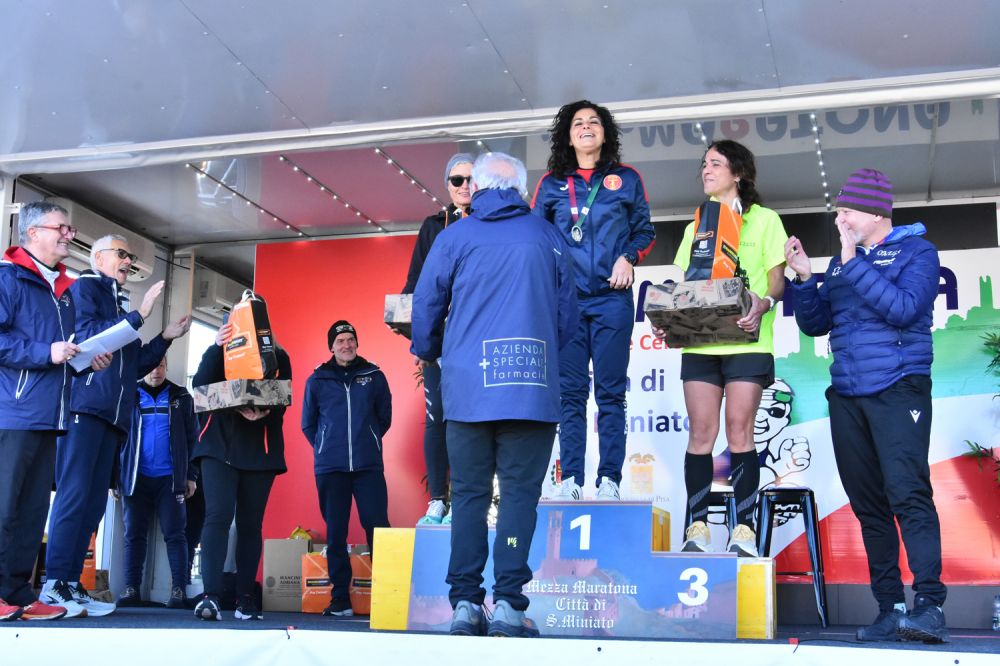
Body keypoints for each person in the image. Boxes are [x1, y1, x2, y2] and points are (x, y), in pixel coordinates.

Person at [412, 152, 577, 637]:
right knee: (519, 497)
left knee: (467, 495)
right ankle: (508, 604)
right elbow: (567, 315)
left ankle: (465, 604)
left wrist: (433, 350)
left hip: (468, 392)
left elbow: (426, 304)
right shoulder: (547, 236)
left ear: (478, 188)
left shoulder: (454, 237)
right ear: (521, 190)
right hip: (530, 389)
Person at [785, 168, 947, 643]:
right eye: (839, 212)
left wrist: (852, 260)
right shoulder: (841, 263)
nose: (840, 220)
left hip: (899, 389)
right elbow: (817, 325)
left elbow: (904, 309)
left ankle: (930, 607)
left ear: (876, 213)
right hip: (848, 396)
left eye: (847, 212)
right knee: (869, 504)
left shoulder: (918, 251)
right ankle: (889, 608)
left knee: (908, 494)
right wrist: (805, 279)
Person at [41, 234, 191, 618]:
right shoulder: (86, 288)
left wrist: (165, 337)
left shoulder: (115, 303)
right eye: (122, 254)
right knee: (75, 496)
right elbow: (88, 339)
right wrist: (139, 314)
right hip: (84, 410)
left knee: (94, 504)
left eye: (130, 256)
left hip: (112, 419)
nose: (129, 261)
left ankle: (70, 583)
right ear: (98, 258)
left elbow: (135, 365)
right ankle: (54, 583)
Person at [652, 140, 787, 557]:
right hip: (701, 343)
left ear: (738, 173)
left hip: (748, 339)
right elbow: (684, 285)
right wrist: (668, 316)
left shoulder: (764, 220)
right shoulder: (698, 223)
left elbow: (777, 281)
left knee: (739, 430)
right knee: (701, 433)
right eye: (704, 164)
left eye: (715, 163)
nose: (706, 170)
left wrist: (763, 304)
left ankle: (743, 528)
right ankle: (697, 527)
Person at [532, 100, 655, 501]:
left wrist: (628, 257)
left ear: (605, 132)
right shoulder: (551, 184)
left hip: (612, 300)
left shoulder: (627, 178)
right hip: (566, 305)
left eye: (594, 122)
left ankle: (609, 481)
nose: (586, 127)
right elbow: (536, 239)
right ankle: (570, 480)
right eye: (578, 123)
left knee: (611, 394)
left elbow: (644, 231)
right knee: (570, 395)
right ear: (568, 136)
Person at [0, 202, 112, 622]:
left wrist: (85, 360)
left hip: (51, 414)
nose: (69, 234)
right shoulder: (8, 278)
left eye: (70, 228)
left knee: (31, 512)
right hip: (12, 413)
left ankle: (18, 593)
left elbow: (61, 352)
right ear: (33, 233)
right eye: (61, 228)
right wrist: (46, 352)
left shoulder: (63, 290)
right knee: (4, 507)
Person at [191, 319, 292, 622]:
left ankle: (245, 598)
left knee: (250, 525)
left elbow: (283, 396)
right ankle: (210, 596)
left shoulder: (278, 355)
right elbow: (200, 388)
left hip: (260, 451)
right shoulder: (218, 352)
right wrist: (217, 346)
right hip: (218, 448)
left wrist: (263, 410)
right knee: (217, 517)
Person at [398, 153, 474, 525]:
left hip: (478, 343)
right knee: (437, 419)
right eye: (457, 180)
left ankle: (468, 500)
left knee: (474, 423)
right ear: (447, 185)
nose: (464, 186)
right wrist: (415, 335)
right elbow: (415, 286)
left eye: (471, 179)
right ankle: (438, 501)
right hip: (440, 345)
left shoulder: (493, 223)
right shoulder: (433, 226)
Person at [301, 320, 391, 617]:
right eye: (340, 340)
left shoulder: (374, 375)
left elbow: (384, 417)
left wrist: (368, 440)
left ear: (357, 343)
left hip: (368, 466)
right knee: (336, 532)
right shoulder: (317, 379)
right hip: (331, 468)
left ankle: (388, 596)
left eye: (350, 339)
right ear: (331, 346)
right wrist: (327, 447)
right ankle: (340, 599)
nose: (346, 345)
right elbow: (308, 424)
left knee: (378, 527)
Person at [117, 357, 199, 609]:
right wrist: (114, 478)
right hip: (135, 478)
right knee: (134, 535)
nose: (156, 370)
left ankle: (178, 591)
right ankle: (131, 589)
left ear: (167, 367)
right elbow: (117, 436)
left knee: (176, 535)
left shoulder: (181, 396)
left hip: (171, 480)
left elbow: (193, 438)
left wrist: (191, 475)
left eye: (161, 365)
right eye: (152, 366)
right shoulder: (129, 393)